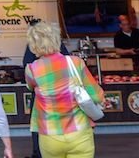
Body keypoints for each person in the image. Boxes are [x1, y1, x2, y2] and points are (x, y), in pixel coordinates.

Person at [25, 21, 103, 158]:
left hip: (49, 136)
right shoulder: (75, 62)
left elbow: (30, 87)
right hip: (79, 132)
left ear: (32, 44)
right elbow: (96, 96)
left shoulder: (31, 70)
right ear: (56, 39)